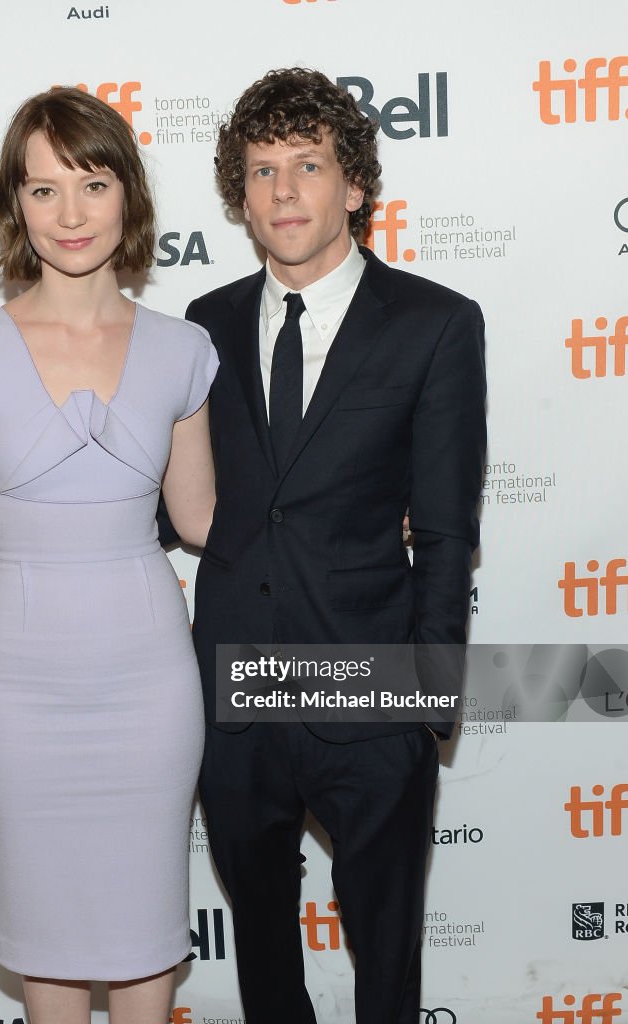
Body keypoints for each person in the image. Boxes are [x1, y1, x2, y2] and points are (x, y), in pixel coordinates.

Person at [0, 87, 217, 1024]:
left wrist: (363, 517)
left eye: (92, 182)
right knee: (45, 938)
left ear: (129, 194)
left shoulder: (184, 349)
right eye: (43, 191)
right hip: (19, 684)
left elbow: (203, 518)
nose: (71, 214)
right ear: (15, 206)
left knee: (144, 936)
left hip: (149, 679)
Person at [183, 68, 487, 1023]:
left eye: (307, 165)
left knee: (386, 965)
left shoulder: (436, 324)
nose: (282, 192)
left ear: (353, 184)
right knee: (266, 961)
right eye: (262, 169)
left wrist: (426, 702)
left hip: (370, 690)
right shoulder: (207, 325)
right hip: (236, 693)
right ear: (240, 192)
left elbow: (444, 533)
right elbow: (191, 502)